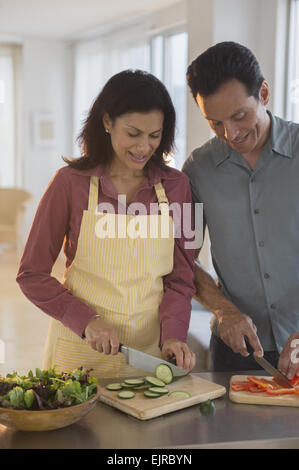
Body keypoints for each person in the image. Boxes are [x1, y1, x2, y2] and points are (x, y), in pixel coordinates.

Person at [17, 69, 196, 378]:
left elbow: (181, 278)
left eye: (154, 136)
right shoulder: (69, 183)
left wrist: (174, 335)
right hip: (78, 351)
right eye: (133, 133)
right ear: (107, 122)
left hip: (148, 357)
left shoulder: (178, 187)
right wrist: (86, 321)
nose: (144, 147)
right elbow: (31, 274)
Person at [183, 41, 299, 377]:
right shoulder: (197, 169)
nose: (230, 133)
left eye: (239, 116)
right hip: (236, 350)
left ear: (263, 93)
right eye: (214, 122)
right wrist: (223, 311)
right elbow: (183, 258)